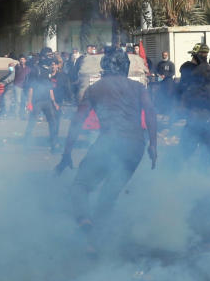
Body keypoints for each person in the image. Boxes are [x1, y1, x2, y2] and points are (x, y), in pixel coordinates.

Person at [59, 47, 157, 224]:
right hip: (135, 146)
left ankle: (85, 223)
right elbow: (150, 112)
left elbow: (77, 122)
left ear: (105, 66)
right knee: (109, 195)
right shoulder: (138, 87)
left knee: (80, 186)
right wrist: (153, 145)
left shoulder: (95, 89)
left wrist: (67, 153)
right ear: (125, 66)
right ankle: (100, 240)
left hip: (108, 143)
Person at [24, 53, 61, 149]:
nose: (49, 58)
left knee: (52, 122)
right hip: (37, 102)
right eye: (47, 56)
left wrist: (54, 102)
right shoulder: (35, 70)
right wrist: (29, 102)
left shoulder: (47, 70)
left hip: (47, 101)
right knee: (32, 122)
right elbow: (31, 88)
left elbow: (50, 88)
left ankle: (54, 144)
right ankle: (26, 143)